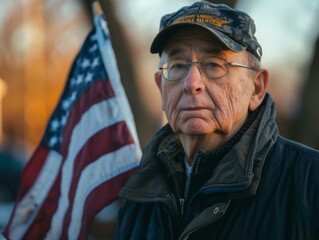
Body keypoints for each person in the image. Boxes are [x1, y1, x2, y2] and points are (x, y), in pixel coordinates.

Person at [114, 1, 319, 239]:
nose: (191, 83)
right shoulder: (136, 195)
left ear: (256, 88)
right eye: (178, 66)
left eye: (214, 65)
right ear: (161, 88)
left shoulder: (310, 185)